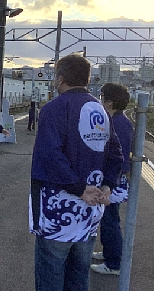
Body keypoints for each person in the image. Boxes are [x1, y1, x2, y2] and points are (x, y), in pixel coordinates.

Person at [29, 54, 123, 291]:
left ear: (60, 79)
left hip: (57, 213)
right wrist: (107, 186)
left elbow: (51, 156)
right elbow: (116, 154)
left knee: (51, 275)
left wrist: (79, 189)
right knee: (79, 275)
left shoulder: (53, 109)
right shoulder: (100, 110)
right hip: (91, 212)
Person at [90, 83, 133, 276]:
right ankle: (110, 253)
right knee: (108, 219)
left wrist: (109, 182)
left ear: (110, 102)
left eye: (103, 97)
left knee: (109, 221)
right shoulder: (118, 120)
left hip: (114, 181)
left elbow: (119, 158)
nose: (101, 100)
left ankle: (114, 263)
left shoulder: (118, 123)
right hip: (114, 179)